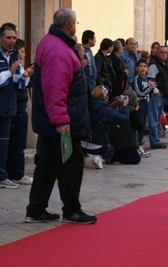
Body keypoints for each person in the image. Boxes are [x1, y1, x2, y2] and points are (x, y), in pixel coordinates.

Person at [26, 8, 97, 224]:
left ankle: (36, 210)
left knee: (47, 165)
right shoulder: (58, 50)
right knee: (71, 165)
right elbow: (55, 88)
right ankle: (72, 210)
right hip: (63, 121)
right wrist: (61, 120)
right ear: (71, 26)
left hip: (53, 119)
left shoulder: (51, 42)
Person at [0, 24, 33, 189]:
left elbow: (18, 84)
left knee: (5, 144)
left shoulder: (14, 57)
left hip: (8, 108)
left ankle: (2, 176)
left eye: (14, 38)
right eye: (8, 38)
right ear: (1, 39)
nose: (12, 41)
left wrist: (25, 76)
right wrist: (10, 72)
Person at [6, 38, 34, 186]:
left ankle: (12, 172)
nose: (24, 55)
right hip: (17, 106)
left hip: (16, 104)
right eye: (22, 51)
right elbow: (19, 84)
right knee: (18, 141)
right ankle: (17, 173)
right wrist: (26, 75)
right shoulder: (15, 62)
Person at [85, 85, 130, 169]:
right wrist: (124, 106)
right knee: (111, 149)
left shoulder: (85, 107)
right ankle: (99, 157)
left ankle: (82, 157)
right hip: (98, 145)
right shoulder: (107, 111)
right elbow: (124, 119)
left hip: (82, 143)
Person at [108, 90, 143, 165]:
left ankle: (112, 155)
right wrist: (135, 112)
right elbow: (139, 127)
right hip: (126, 144)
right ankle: (114, 157)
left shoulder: (113, 107)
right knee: (136, 159)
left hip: (113, 142)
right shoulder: (131, 111)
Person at [147, 46, 168, 149]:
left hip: (162, 96)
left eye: (165, 53)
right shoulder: (154, 64)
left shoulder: (164, 64)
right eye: (161, 52)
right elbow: (150, 80)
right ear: (157, 53)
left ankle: (155, 140)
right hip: (155, 96)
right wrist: (156, 91)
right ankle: (154, 141)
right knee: (153, 120)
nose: (163, 54)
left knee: (157, 119)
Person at [133, 58, 155, 157]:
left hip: (146, 105)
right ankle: (137, 146)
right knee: (138, 127)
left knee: (143, 127)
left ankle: (141, 145)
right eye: (141, 66)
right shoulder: (137, 79)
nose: (143, 68)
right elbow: (139, 92)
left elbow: (148, 93)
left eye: (145, 66)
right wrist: (150, 87)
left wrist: (152, 88)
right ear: (137, 68)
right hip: (139, 106)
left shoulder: (146, 79)